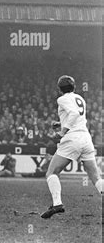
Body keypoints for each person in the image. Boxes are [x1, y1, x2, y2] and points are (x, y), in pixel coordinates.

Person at [40, 75, 102, 218]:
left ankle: (57, 204)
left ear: (60, 89)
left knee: (51, 173)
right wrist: (61, 123)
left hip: (72, 139)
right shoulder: (80, 99)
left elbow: (73, 114)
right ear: (74, 87)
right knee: (96, 177)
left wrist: (62, 131)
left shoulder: (61, 99)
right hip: (85, 138)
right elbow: (77, 117)